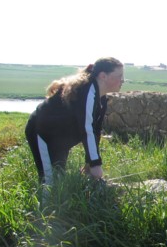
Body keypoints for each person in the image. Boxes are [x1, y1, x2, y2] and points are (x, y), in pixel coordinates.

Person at [25, 57, 124, 185]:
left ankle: (58, 204)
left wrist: (89, 163)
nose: (123, 80)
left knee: (59, 179)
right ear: (103, 76)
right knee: (49, 181)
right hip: (42, 132)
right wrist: (95, 164)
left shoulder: (101, 98)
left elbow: (95, 131)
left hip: (59, 139)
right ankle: (45, 205)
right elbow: (87, 128)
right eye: (119, 76)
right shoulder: (88, 90)